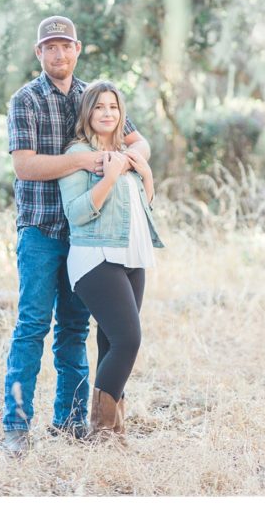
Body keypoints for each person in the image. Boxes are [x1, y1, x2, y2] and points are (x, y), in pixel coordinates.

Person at [2, 16, 150, 454]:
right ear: (39, 53)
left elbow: (138, 141)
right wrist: (86, 161)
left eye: (65, 46)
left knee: (74, 329)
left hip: (87, 236)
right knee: (31, 327)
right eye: (50, 47)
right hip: (41, 230)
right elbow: (24, 165)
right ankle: (16, 425)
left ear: (77, 49)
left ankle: (68, 425)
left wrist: (129, 160)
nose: (58, 54)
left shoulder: (92, 97)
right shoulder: (25, 99)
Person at [58, 80, 163, 443]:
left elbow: (145, 206)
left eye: (114, 107)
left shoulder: (127, 152)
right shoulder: (78, 154)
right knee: (128, 340)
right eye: (99, 106)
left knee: (110, 341)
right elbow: (76, 213)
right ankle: (101, 431)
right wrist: (112, 175)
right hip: (96, 255)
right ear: (88, 113)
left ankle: (114, 431)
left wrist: (144, 173)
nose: (107, 113)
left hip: (133, 255)